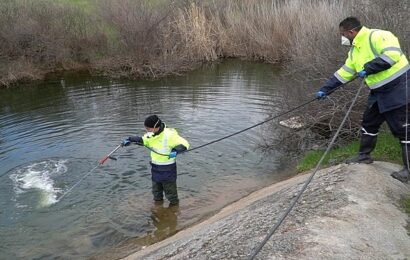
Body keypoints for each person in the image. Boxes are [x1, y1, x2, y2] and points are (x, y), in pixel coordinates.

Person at [315, 17, 410, 183]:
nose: (342, 37)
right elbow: (345, 72)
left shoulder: (378, 36)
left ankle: (408, 171)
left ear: (351, 32)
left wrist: (369, 68)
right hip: (378, 92)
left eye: (343, 34)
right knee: (369, 123)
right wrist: (325, 89)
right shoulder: (354, 51)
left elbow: (393, 55)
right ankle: (364, 155)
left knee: (404, 130)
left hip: (399, 90)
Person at [121, 115, 189, 205]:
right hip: (155, 168)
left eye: (148, 128)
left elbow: (185, 143)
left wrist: (176, 150)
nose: (147, 130)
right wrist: (131, 140)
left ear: (155, 127)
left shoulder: (169, 134)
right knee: (156, 192)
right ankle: (158, 207)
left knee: (170, 193)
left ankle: (174, 210)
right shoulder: (151, 134)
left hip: (168, 169)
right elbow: (144, 141)